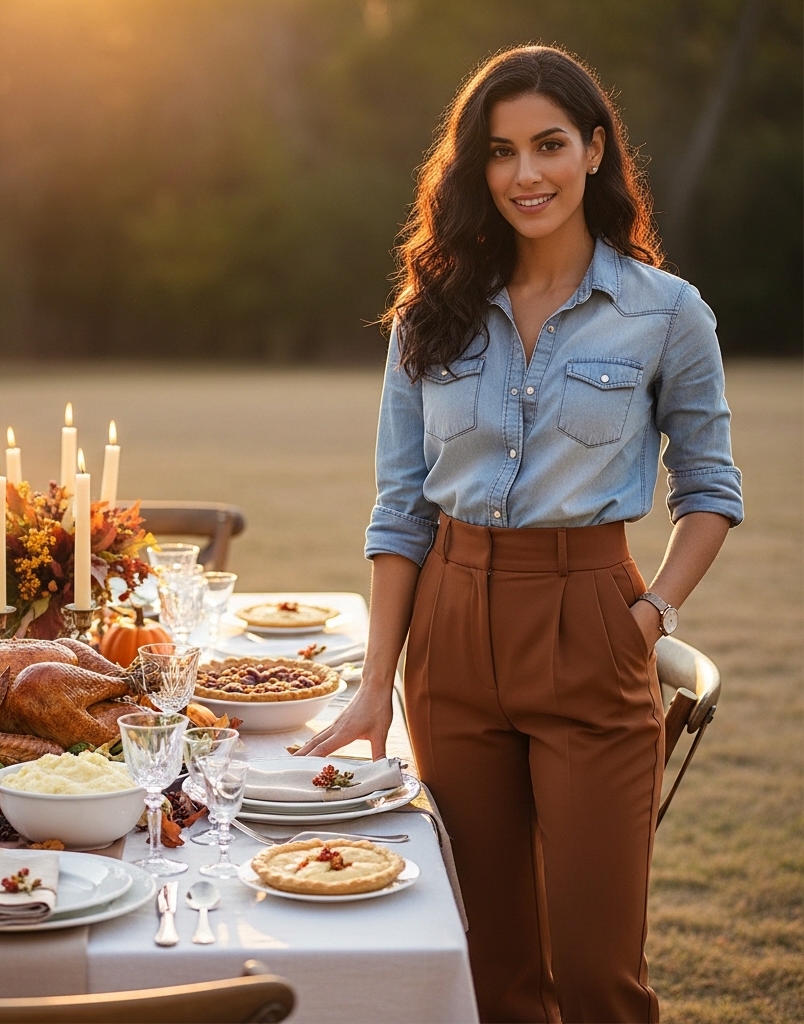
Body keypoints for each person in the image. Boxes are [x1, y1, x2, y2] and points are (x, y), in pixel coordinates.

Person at [297, 45, 743, 1023]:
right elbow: (401, 505)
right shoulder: (431, 313)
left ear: (593, 150)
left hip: (592, 622)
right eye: (499, 152)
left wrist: (652, 611)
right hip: (451, 639)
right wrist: (379, 683)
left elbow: (709, 489)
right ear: (474, 169)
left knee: (595, 977)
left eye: (548, 144)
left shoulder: (667, 314)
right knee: (492, 970)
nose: (525, 173)